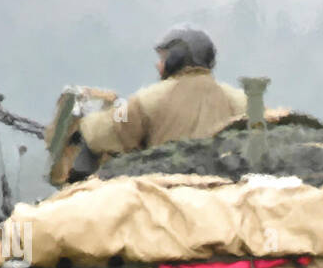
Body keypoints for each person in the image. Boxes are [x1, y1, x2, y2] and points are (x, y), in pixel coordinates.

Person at [75, 25, 247, 164]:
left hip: (165, 194)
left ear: (176, 59)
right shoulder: (239, 100)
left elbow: (105, 132)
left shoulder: (148, 99)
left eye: (163, 59)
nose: (158, 66)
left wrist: (84, 121)